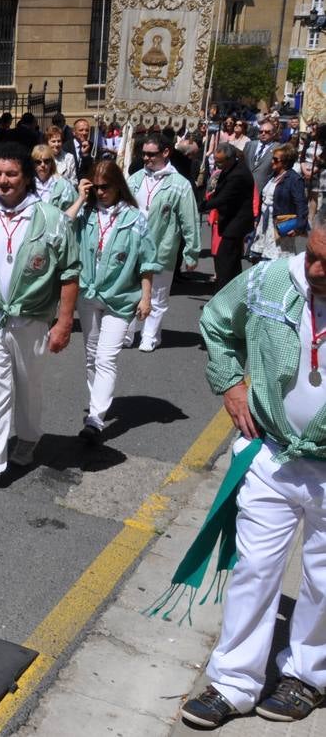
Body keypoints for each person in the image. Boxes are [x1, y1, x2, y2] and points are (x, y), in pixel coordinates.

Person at [176, 224, 326, 729]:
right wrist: (231, 384)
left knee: (324, 580)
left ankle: (307, 674)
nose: (317, 271)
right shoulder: (268, 281)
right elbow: (216, 321)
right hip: (272, 454)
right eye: (315, 257)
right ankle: (233, 682)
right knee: (254, 568)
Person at [0, 141, 80, 493]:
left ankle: (27, 436)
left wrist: (65, 322)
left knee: (28, 385)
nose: (3, 181)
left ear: (26, 177)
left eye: (11, 174)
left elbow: (69, 274)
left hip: (32, 321)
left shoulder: (52, 220)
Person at [65, 162, 159, 441]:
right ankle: (98, 406)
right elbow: (60, 229)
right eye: (96, 187)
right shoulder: (86, 213)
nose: (101, 192)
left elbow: (147, 261)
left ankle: (96, 417)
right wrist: (81, 198)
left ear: (118, 185)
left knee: (106, 357)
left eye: (106, 186)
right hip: (87, 295)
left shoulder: (136, 218)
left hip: (120, 297)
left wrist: (146, 297)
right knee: (92, 356)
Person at [126, 134, 201, 352]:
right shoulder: (136, 178)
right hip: (134, 247)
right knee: (131, 292)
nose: (146, 158)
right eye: (144, 154)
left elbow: (190, 219)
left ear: (166, 153)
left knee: (157, 295)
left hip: (162, 248)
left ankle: (149, 335)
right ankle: (128, 332)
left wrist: (192, 252)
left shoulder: (180, 184)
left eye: (151, 154)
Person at [203, 144, 255, 292]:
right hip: (230, 221)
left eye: (220, 161)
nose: (218, 165)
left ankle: (223, 292)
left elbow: (223, 197)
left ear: (231, 159)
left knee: (224, 259)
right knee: (231, 260)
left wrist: (201, 206)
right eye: (216, 161)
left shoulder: (238, 174)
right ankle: (234, 290)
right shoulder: (229, 168)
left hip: (236, 223)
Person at [248, 145, 309, 263]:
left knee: (275, 260)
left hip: (279, 226)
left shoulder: (294, 179)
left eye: (276, 159)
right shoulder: (273, 175)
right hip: (264, 224)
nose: (272, 161)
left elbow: (301, 205)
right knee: (258, 258)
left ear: (285, 162)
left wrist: (299, 227)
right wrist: (257, 218)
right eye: (272, 158)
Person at [31, 144, 78, 211]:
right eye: (38, 162)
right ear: (33, 164)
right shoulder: (27, 185)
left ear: (51, 163)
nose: (43, 165)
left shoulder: (63, 184)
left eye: (46, 161)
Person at [248, 118, 280, 194]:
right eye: (261, 131)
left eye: (267, 132)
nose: (263, 133)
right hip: (245, 185)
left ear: (274, 134)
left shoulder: (278, 148)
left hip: (263, 188)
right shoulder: (250, 145)